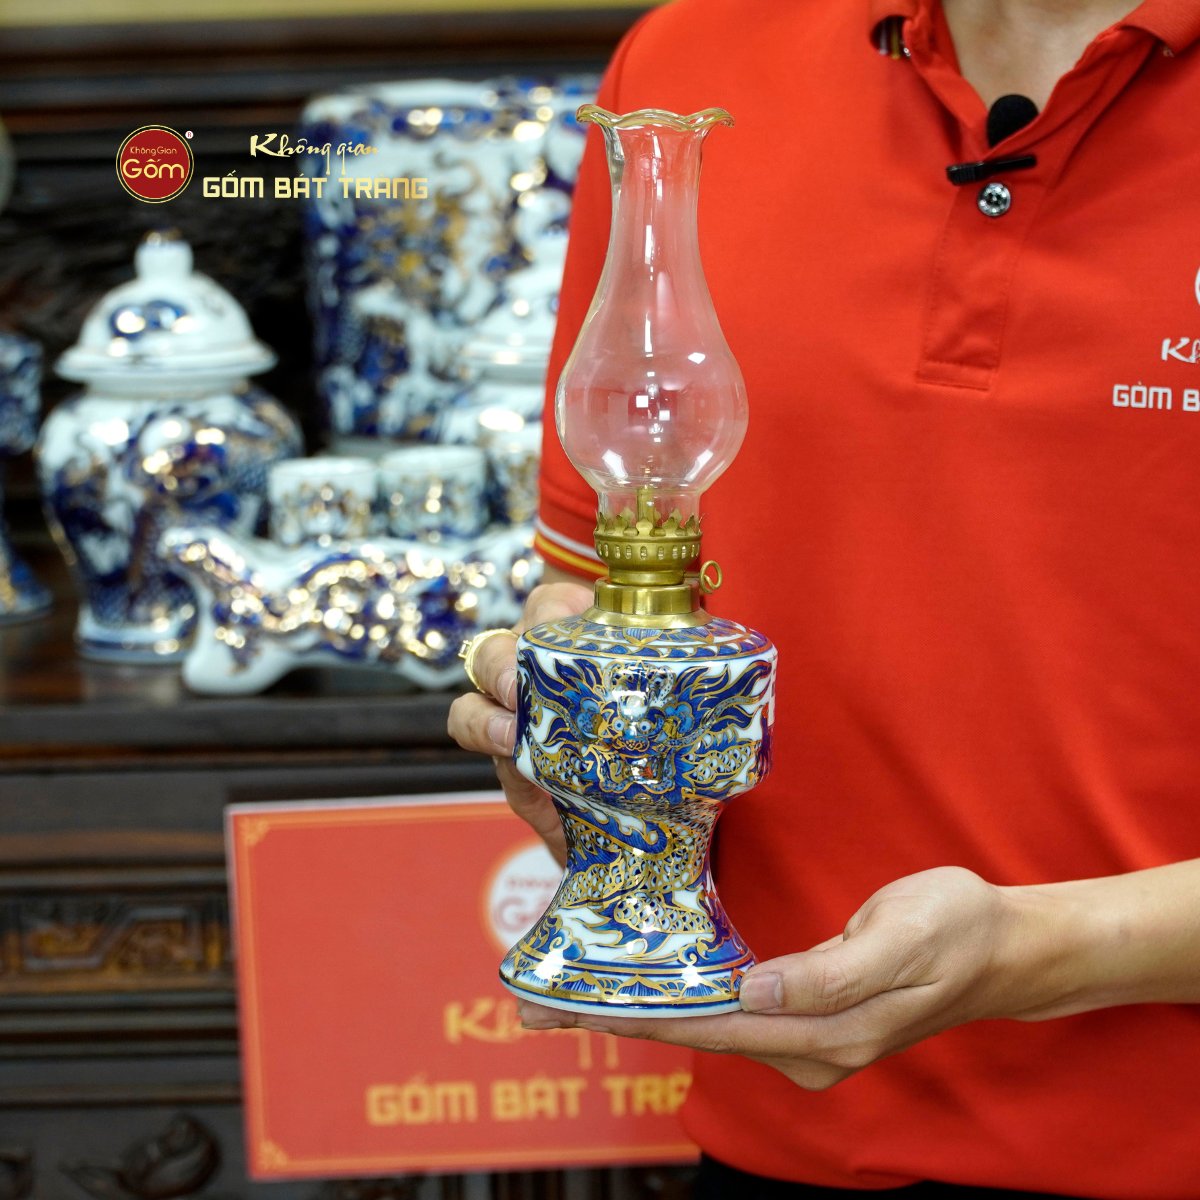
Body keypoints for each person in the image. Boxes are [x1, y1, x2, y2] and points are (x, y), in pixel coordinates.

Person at [449, 0, 1200, 1195]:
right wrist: (557, 712)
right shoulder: (693, 61)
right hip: (782, 1126)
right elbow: (590, 564)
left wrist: (1040, 951)